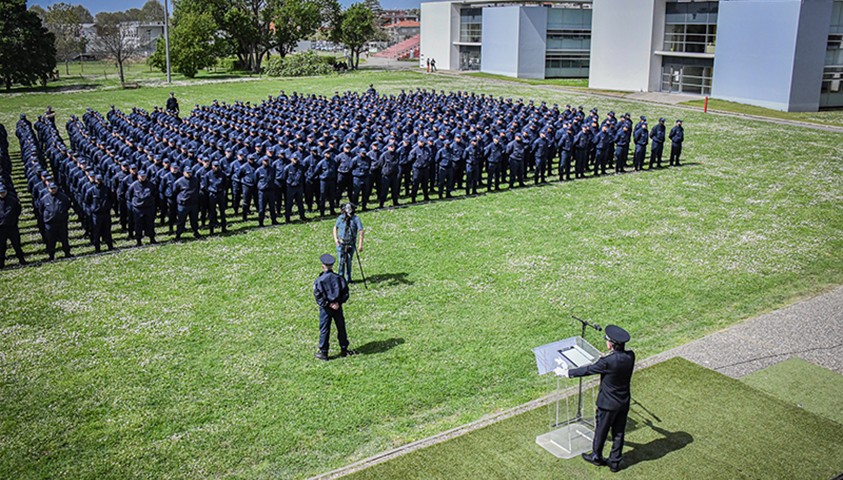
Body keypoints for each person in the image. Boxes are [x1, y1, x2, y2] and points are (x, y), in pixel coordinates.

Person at [566, 325, 635, 473]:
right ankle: (615, 462)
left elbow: (588, 370)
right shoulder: (630, 356)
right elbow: (615, 362)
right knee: (619, 432)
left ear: (611, 344)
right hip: (623, 402)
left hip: (607, 404)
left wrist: (568, 372)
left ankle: (596, 456)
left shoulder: (607, 362)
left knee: (601, 431)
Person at [313, 253, 352, 361]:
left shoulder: (319, 280)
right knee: (341, 327)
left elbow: (318, 296)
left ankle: (324, 353)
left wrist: (328, 304)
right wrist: (338, 303)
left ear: (323, 265)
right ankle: (344, 349)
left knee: (325, 329)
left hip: (326, 309)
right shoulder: (339, 278)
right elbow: (345, 293)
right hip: (338, 307)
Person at [40, 182, 73, 260]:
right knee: (51, 240)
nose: (53, 190)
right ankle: (51, 255)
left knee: (64, 238)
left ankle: (67, 253)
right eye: (51, 189)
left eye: (54, 188)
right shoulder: (44, 198)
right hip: (50, 223)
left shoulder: (63, 197)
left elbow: (67, 206)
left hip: (61, 222)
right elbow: (41, 209)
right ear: (48, 189)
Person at [333, 203, 364, 283]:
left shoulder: (356, 219)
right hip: (341, 243)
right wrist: (336, 239)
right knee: (341, 262)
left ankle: (348, 278)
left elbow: (361, 230)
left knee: (349, 261)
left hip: (350, 243)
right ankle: (340, 278)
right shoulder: (341, 218)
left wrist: (360, 244)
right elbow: (335, 228)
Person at [84, 174, 114, 252]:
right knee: (96, 232)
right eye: (98, 180)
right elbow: (86, 202)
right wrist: (90, 211)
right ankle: (97, 248)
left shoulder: (107, 189)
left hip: (106, 213)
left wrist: (109, 206)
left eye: (101, 180)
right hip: (96, 214)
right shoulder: (91, 190)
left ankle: (110, 246)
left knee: (107, 230)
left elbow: (112, 199)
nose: (99, 182)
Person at [0, 183, 27, 268]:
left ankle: (22, 260)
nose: (2, 194)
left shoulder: (12, 200)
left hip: (12, 227)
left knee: (17, 245)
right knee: (1, 247)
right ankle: (1, 264)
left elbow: (18, 210)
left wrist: (13, 220)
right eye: (0, 192)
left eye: (3, 192)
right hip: (1, 228)